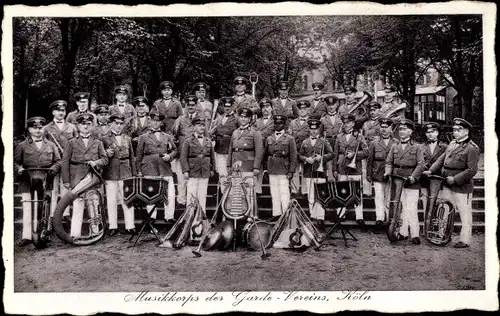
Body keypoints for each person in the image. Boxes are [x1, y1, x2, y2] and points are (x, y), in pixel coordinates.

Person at [424, 118, 479, 248]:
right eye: (454, 130)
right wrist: (431, 171)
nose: (455, 132)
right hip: (446, 183)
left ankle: (465, 240)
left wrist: (455, 179)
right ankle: (442, 235)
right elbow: (441, 159)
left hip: (461, 186)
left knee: (464, 213)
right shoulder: (452, 143)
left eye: (459, 130)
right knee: (444, 210)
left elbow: (472, 170)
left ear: (466, 131)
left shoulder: (472, 148)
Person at [15, 117, 61, 247]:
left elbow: (58, 161)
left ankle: (44, 232)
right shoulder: (22, 146)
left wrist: (53, 169)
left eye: (40, 128)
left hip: (46, 179)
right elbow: (15, 162)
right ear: (29, 130)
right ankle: (27, 236)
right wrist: (20, 170)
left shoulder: (51, 145)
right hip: (27, 180)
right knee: (28, 206)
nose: (38, 130)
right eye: (34, 128)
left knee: (47, 206)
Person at [61, 113, 109, 239]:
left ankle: (95, 232)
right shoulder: (71, 142)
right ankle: (75, 234)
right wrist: (66, 181)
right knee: (78, 203)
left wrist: (96, 162)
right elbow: (65, 162)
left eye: (88, 124)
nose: (85, 127)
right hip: (77, 177)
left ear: (92, 126)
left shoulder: (98, 142)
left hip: (93, 176)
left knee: (93, 203)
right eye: (83, 124)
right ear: (78, 126)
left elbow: (105, 159)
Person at [384, 118, 425, 245]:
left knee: (411, 207)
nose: (402, 132)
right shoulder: (394, 146)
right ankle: (403, 233)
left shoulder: (417, 147)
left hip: (411, 181)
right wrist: (387, 172)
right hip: (398, 181)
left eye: (405, 129)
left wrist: (413, 176)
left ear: (411, 131)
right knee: (400, 207)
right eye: (400, 129)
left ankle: (415, 234)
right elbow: (389, 162)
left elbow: (421, 164)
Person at [135, 109, 178, 224]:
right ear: (149, 122)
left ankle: (169, 216)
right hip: (149, 167)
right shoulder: (143, 137)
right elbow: (138, 155)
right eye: (153, 121)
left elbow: (175, 150)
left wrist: (170, 156)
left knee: (169, 193)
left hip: (165, 167)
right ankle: (151, 217)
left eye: (157, 121)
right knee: (150, 193)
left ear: (161, 123)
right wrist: (139, 170)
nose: (155, 123)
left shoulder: (167, 137)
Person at [42, 100, 78, 223]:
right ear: (53, 112)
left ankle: (65, 213)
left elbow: (76, 144)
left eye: (63, 110)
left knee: (66, 187)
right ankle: (52, 214)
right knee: (53, 189)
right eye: (58, 110)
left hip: (67, 162)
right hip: (53, 163)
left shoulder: (72, 127)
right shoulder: (46, 128)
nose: (61, 113)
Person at [102, 113, 136, 236]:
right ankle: (112, 226)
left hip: (126, 172)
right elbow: (101, 157)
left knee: (128, 199)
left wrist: (134, 173)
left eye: (121, 123)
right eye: (116, 123)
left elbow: (132, 157)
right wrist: (106, 153)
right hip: (111, 173)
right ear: (111, 124)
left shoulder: (127, 139)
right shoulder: (104, 139)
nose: (118, 126)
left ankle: (130, 225)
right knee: (111, 200)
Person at [227, 107, 265, 217]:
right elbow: (231, 149)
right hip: (236, 167)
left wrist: (256, 167)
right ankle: (239, 215)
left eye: (246, 117)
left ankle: (251, 216)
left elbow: (259, 151)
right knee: (237, 193)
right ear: (238, 118)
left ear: (250, 119)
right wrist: (228, 164)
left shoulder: (255, 133)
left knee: (249, 193)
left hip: (248, 166)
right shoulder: (235, 132)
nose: (243, 119)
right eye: (241, 117)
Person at [333, 113, 369, 228]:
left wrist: (355, 155)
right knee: (341, 192)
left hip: (355, 169)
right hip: (342, 168)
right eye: (344, 123)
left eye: (348, 123)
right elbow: (335, 154)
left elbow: (366, 152)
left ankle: (359, 217)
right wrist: (334, 169)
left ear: (353, 123)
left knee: (357, 193)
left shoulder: (359, 136)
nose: (345, 125)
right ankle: (340, 215)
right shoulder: (339, 137)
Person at [298, 119, 334, 230]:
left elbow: (332, 154)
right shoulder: (305, 142)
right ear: (309, 129)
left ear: (319, 129)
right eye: (312, 129)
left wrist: (322, 158)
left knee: (321, 196)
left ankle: (320, 218)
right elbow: (300, 155)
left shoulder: (324, 141)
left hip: (320, 173)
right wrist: (306, 159)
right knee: (311, 196)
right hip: (309, 173)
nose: (314, 131)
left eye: (316, 129)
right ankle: (313, 216)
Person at [367, 118, 398, 231]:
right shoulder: (374, 143)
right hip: (378, 174)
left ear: (391, 128)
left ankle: (388, 220)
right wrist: (369, 175)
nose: (384, 130)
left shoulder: (396, 142)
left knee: (390, 197)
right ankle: (379, 219)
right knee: (379, 197)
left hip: (391, 175)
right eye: (382, 127)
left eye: (386, 127)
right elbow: (370, 160)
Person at [264, 114, 298, 220]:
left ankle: (285, 214)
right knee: (274, 193)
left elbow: (293, 155)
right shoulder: (269, 138)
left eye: (280, 123)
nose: (277, 125)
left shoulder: (289, 138)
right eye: (276, 123)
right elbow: (265, 154)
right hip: (272, 168)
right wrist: (265, 168)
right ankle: (276, 214)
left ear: (284, 125)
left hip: (284, 168)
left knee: (284, 193)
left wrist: (291, 171)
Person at [180, 117, 216, 213]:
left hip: (204, 172)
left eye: (203, 125)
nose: (202, 127)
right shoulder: (188, 141)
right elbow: (183, 157)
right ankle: (189, 218)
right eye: (199, 125)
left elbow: (212, 157)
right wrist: (185, 171)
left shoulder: (208, 141)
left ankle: (201, 218)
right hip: (193, 172)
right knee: (191, 196)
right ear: (194, 127)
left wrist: (212, 169)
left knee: (202, 196)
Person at [171, 95, 200, 207]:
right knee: (181, 180)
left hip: (195, 155)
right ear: (185, 106)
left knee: (193, 182)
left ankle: (192, 204)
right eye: (189, 105)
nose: (191, 107)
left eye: (193, 105)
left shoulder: (201, 120)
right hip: (182, 155)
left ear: (196, 106)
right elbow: (173, 135)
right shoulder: (180, 119)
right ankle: (181, 203)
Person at [419, 122, 448, 217]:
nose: (430, 134)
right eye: (428, 132)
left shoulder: (445, 147)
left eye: (433, 131)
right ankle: (426, 227)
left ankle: (438, 228)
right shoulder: (421, 147)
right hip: (424, 179)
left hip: (439, 179)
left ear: (438, 133)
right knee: (425, 204)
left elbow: (446, 162)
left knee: (439, 204)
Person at [211, 97, 239, 194]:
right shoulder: (219, 118)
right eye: (225, 106)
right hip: (219, 149)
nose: (227, 108)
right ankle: (223, 195)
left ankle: (231, 195)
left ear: (232, 107)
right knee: (222, 173)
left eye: (229, 106)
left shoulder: (237, 119)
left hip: (231, 149)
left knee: (231, 173)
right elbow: (214, 131)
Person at [288, 100, 312, 197]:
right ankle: (295, 190)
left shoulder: (311, 122)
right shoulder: (292, 123)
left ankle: (305, 191)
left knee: (306, 170)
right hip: (295, 150)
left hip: (306, 150)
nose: (302, 111)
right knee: (295, 170)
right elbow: (290, 136)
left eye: (304, 109)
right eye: (300, 109)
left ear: (308, 110)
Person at [361, 101, 384, 196]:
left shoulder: (382, 123)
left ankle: (378, 189)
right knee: (365, 168)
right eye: (370, 110)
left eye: (374, 110)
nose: (372, 112)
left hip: (377, 148)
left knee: (376, 168)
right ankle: (367, 191)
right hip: (366, 148)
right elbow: (362, 135)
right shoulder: (366, 123)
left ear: (379, 110)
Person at [254, 97, 275, 194]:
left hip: (271, 150)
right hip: (259, 150)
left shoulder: (276, 121)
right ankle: (258, 191)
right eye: (263, 107)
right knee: (258, 170)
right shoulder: (257, 122)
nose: (265, 109)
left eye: (267, 107)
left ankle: (271, 192)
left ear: (271, 108)